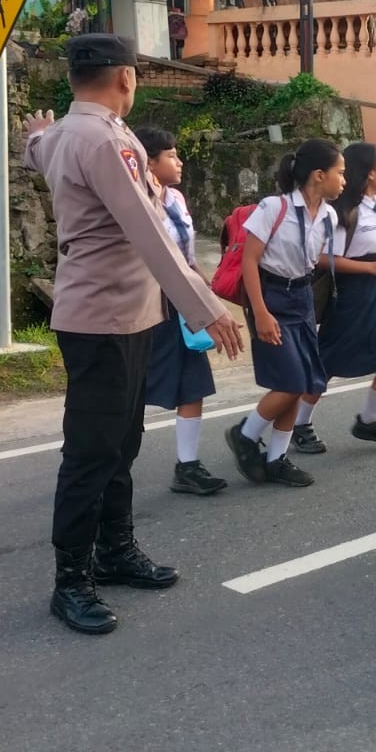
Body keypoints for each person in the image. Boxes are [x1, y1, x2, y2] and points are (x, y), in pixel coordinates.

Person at [22, 34, 244, 636]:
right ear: (124, 77)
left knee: (122, 442)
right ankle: (71, 582)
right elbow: (149, 230)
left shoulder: (65, 134)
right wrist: (207, 307)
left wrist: (31, 136)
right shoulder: (104, 139)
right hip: (104, 319)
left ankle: (115, 551)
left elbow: (38, 151)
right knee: (93, 452)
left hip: (124, 315)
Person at [224, 140, 345, 489]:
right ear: (318, 175)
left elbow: (315, 262)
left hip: (302, 298)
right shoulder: (273, 207)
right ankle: (245, 435)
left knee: (302, 381)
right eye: (340, 173)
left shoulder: (328, 215)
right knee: (291, 382)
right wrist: (260, 313)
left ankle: (276, 459)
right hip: (271, 295)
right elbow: (249, 260)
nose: (344, 180)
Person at [291, 142, 376, 453]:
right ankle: (295, 424)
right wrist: (372, 268)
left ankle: (368, 421)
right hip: (351, 295)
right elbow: (323, 258)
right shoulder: (346, 212)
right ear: (370, 173)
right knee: (324, 364)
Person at [135, 125, 226, 496]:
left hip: (179, 303)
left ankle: (187, 466)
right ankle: (98, 457)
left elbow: (186, 257)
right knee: (130, 385)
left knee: (192, 382)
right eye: (171, 155)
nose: (180, 161)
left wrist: (205, 293)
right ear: (148, 162)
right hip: (143, 306)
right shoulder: (134, 202)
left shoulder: (176, 200)